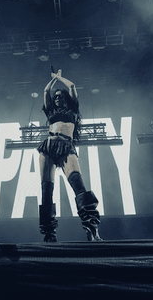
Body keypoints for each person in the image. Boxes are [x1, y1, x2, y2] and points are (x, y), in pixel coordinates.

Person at [37, 69, 102, 242]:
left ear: (65, 97)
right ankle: (49, 233)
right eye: (55, 96)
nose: (57, 97)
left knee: (77, 183)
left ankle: (91, 228)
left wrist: (59, 78)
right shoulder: (50, 112)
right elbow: (45, 92)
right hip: (48, 146)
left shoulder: (73, 109)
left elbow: (72, 86)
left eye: (60, 95)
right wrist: (52, 82)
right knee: (46, 190)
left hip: (66, 146)